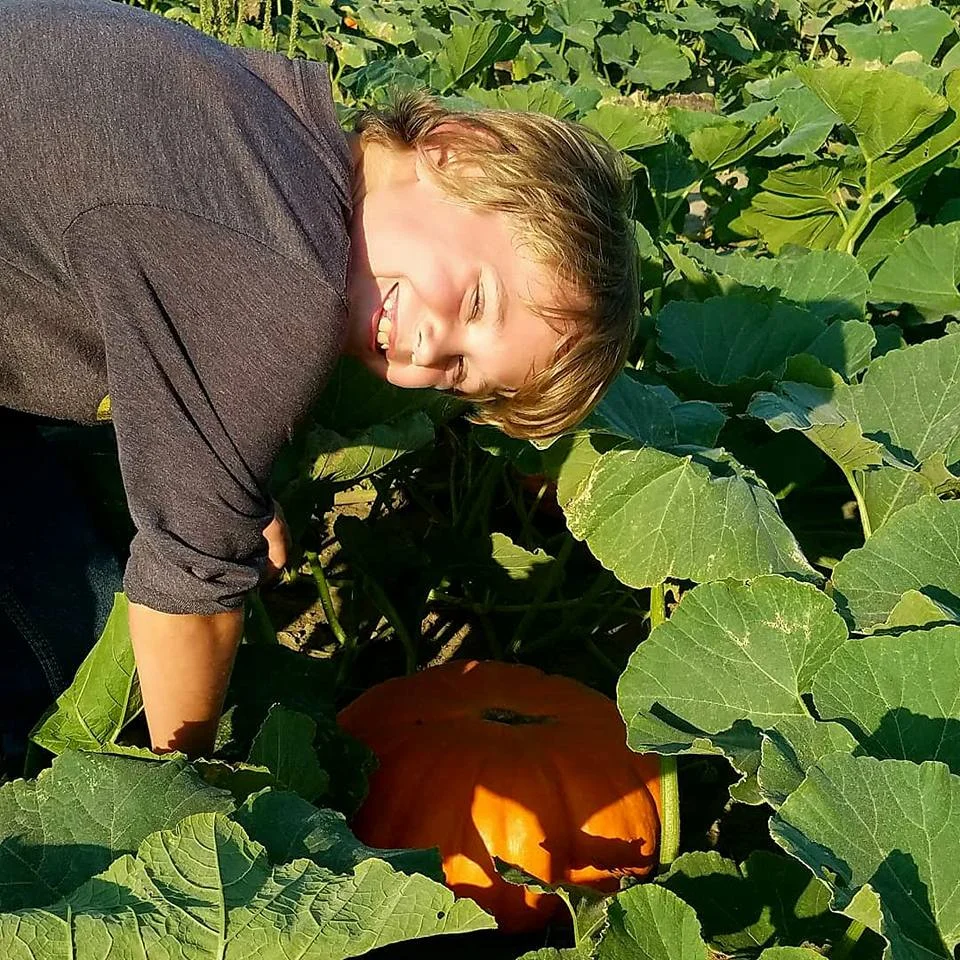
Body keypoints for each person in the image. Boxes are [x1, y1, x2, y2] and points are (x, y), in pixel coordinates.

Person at [0, 0, 639, 768]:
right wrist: (189, 783)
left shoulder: (277, 124)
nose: (431, 350)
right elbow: (191, 594)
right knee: (58, 651)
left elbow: (175, 274)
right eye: (477, 300)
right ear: (456, 150)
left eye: (461, 373)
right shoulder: (288, 285)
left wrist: (227, 479)